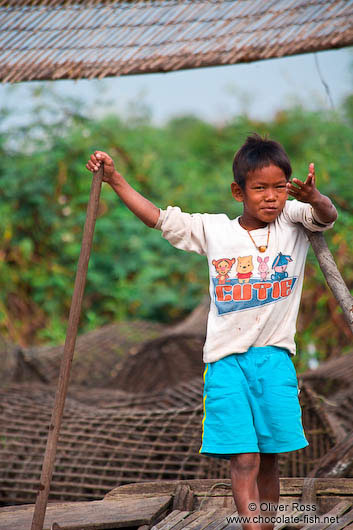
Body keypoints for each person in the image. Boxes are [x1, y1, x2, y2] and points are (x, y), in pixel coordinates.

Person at [86, 134, 337, 530]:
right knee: (245, 458)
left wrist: (314, 196)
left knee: (271, 456)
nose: (270, 197)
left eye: (278, 188)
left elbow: (327, 215)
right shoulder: (215, 231)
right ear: (239, 191)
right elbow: (156, 217)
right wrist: (116, 180)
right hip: (226, 363)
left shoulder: (293, 218)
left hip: (274, 360)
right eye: (259, 189)